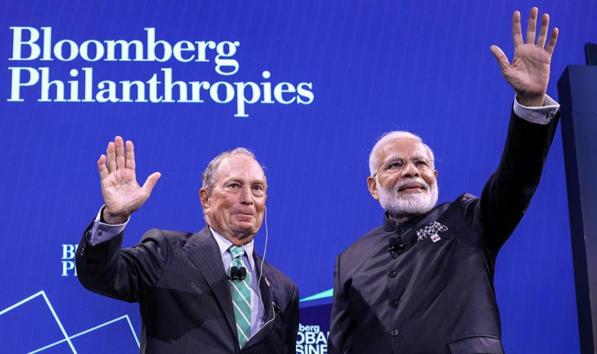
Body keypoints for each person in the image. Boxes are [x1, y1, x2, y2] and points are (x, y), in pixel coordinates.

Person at [329, 7, 560, 354]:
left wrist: (529, 104)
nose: (411, 171)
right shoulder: (350, 259)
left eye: (420, 163)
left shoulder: (471, 220)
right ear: (373, 185)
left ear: (434, 176)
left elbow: (517, 179)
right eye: (395, 165)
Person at [76, 140, 299, 353]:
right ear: (206, 199)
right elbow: (100, 275)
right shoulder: (165, 252)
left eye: (257, 188)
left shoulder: (283, 289)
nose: (248, 198)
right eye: (234, 185)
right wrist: (114, 216)